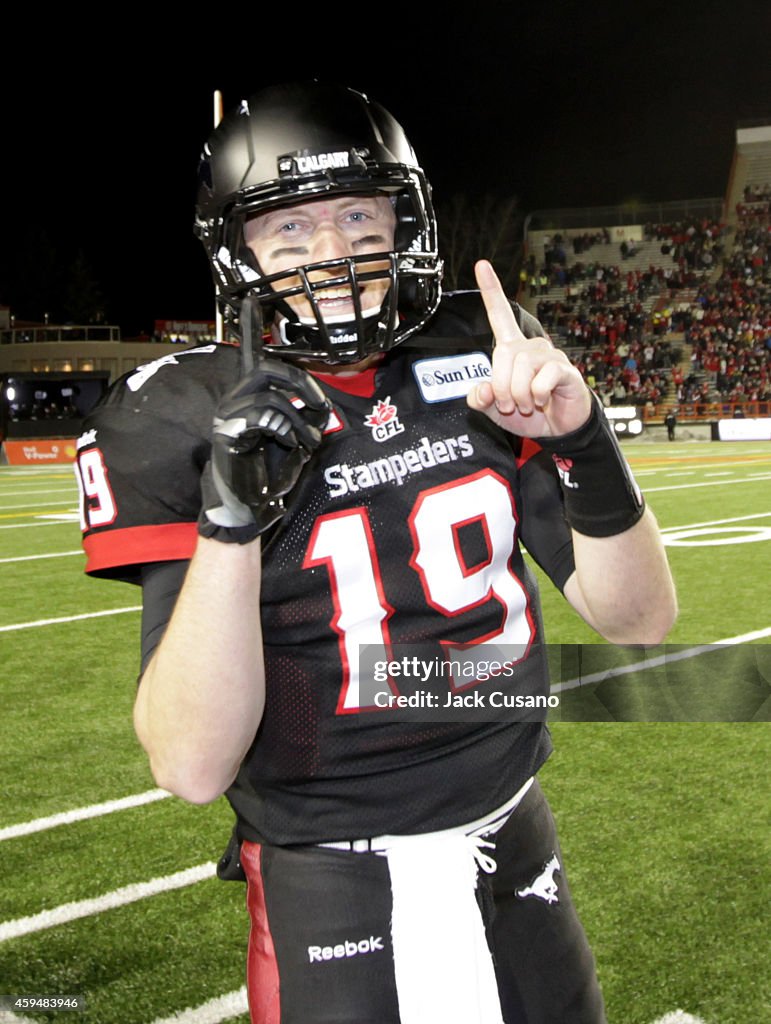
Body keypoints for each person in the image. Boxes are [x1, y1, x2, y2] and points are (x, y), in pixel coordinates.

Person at [76, 82, 677, 1024]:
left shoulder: (482, 349)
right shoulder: (179, 409)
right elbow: (191, 764)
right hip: (336, 873)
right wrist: (231, 520)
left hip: (515, 827)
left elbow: (638, 621)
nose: (333, 251)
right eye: (289, 228)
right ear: (237, 253)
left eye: (358, 212)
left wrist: (582, 439)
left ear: (406, 217)